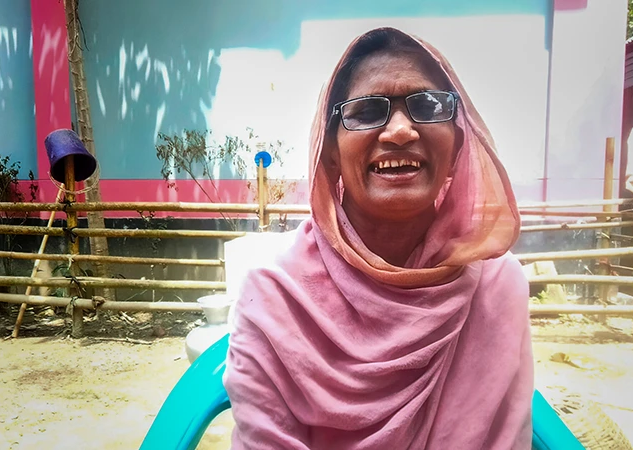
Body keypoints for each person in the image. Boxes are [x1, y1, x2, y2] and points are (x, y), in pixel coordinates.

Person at [224, 27, 532, 449]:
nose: (400, 131)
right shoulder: (274, 298)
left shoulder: (495, 287)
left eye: (428, 106)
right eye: (367, 111)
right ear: (330, 151)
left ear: (457, 146)